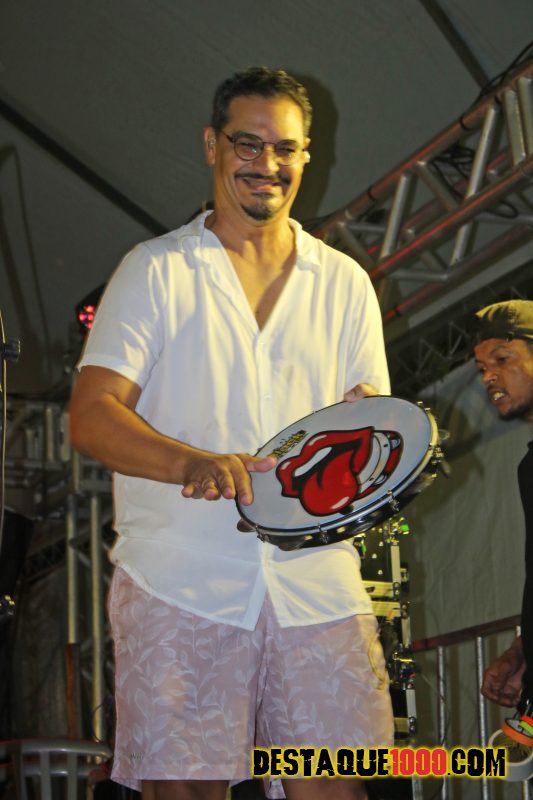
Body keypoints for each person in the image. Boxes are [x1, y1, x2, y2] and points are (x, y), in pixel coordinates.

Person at [69, 66, 393, 800]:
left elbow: (369, 424)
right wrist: (191, 462)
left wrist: (369, 442)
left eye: (285, 149)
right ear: (212, 145)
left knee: (336, 788)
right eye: (248, 144)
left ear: (307, 155)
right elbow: (91, 416)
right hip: (181, 580)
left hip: (316, 582)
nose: (266, 164)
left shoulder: (345, 282)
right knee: (185, 790)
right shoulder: (156, 270)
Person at [473, 300, 533, 713]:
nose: (488, 376)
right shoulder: (528, 467)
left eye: (502, 358)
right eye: (481, 368)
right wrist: (523, 649)